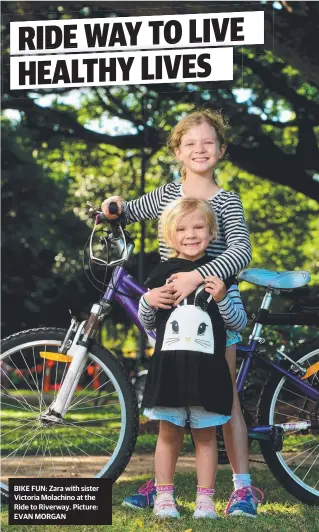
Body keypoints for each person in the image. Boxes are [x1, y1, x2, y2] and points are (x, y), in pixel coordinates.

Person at [102, 109, 262, 517]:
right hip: (174, 315)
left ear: (221, 150)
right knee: (173, 393)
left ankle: (242, 487)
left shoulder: (226, 201)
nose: (199, 150)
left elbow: (241, 252)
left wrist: (198, 276)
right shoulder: (166, 195)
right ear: (177, 150)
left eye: (208, 142)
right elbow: (131, 209)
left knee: (221, 395)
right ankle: (161, 482)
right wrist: (112, 207)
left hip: (217, 308)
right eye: (190, 143)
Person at [137, 197, 250, 519]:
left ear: (212, 234)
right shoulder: (161, 275)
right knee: (168, 433)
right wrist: (148, 301)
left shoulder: (223, 278)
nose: (191, 234)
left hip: (208, 371)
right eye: (182, 228)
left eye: (199, 226)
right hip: (170, 370)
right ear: (170, 237)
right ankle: (164, 497)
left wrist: (223, 299)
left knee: (205, 436)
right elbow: (150, 325)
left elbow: (237, 323)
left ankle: (205, 501)